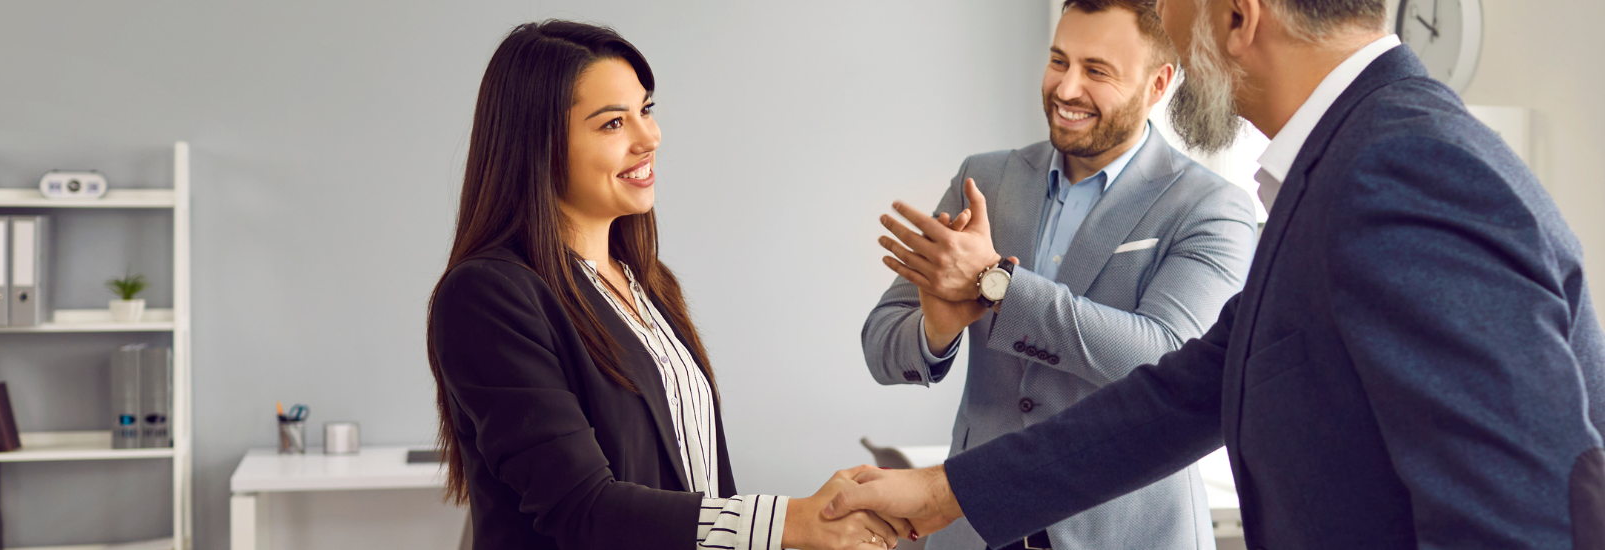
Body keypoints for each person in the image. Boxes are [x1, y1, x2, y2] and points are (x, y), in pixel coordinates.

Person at [826, 0, 1605, 547]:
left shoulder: (1400, 168)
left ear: (1239, 14)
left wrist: (996, 284)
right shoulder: (1344, 162)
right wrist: (945, 493)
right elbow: (1188, 392)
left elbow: (1518, 521)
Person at [425, 20, 910, 550]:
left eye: (646, 110)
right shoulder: (487, 296)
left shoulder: (649, 284)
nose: (649, 137)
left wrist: (819, 517)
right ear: (536, 144)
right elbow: (581, 508)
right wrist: (793, 521)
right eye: (613, 123)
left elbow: (695, 484)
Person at [861, 0, 1255, 548]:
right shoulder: (985, 180)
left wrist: (998, 284)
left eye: (1096, 71)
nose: (1066, 89)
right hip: (971, 527)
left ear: (1158, 83)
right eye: (1058, 61)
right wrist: (936, 329)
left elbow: (1166, 360)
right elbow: (882, 347)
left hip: (1126, 532)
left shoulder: (1212, 207)